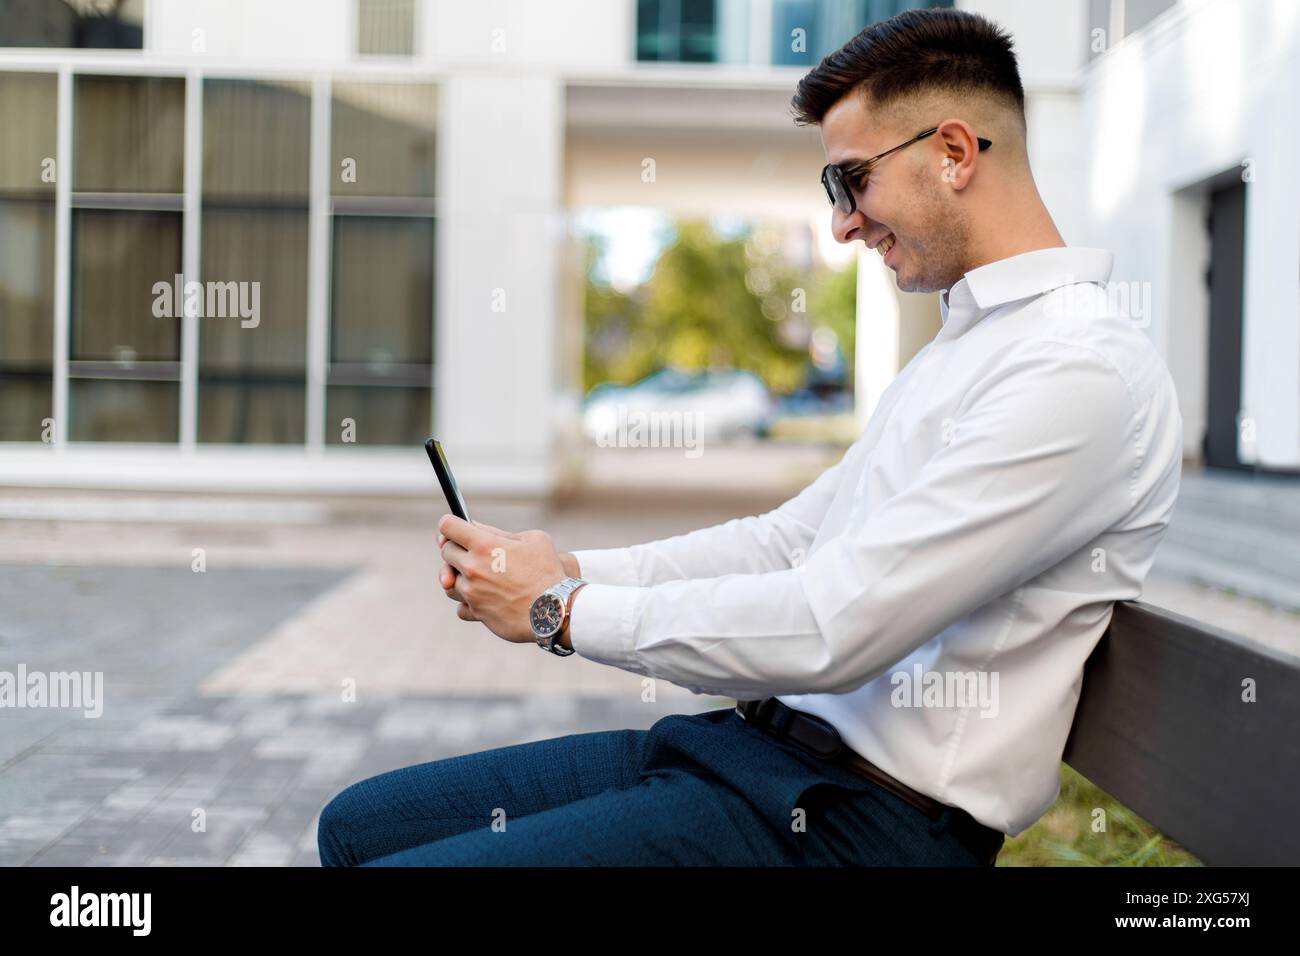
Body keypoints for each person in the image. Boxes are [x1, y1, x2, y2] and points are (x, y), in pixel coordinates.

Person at [317, 7, 1182, 867]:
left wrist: (558, 612)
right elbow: (787, 543)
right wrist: (567, 569)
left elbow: (834, 627)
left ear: (953, 153)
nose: (843, 223)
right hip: (759, 758)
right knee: (360, 827)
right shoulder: (967, 346)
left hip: (867, 824)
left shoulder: (1077, 369)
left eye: (850, 181)